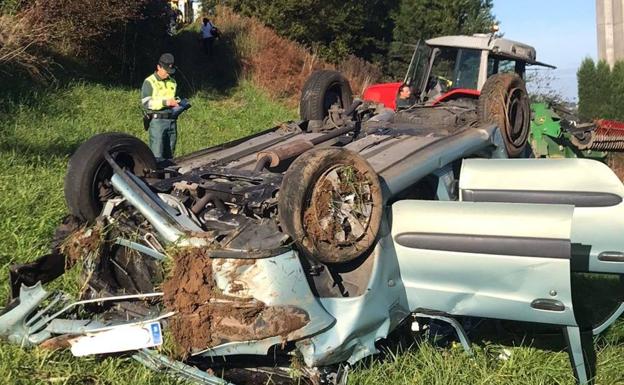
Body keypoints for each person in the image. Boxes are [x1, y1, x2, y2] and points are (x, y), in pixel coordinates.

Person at [141, 53, 181, 162]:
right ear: (158, 67)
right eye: (166, 71)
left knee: (170, 155)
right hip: (157, 122)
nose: (168, 74)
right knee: (157, 155)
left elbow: (174, 97)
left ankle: (169, 176)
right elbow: (146, 102)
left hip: (172, 120)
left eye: (170, 72)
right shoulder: (150, 81)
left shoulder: (173, 82)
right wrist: (166, 102)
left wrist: (178, 104)